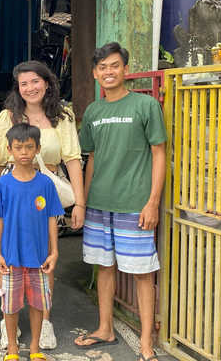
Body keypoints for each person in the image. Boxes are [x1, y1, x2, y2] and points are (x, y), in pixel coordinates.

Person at [74, 42, 166, 361]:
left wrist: (153, 202)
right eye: (102, 67)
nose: (108, 72)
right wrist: (83, 203)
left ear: (125, 69)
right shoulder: (94, 112)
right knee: (105, 266)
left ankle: (145, 342)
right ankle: (105, 328)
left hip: (134, 203)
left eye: (114, 65)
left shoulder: (145, 106)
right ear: (95, 73)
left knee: (142, 271)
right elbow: (92, 159)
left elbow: (159, 154)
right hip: (100, 203)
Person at [0, 60, 85, 349]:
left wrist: (79, 203)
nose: (30, 88)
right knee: (8, 253)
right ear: (18, 89)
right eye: (24, 83)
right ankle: (9, 316)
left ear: (47, 83)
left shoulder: (63, 116)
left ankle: (44, 321)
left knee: (45, 257)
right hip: (12, 191)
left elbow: (72, 159)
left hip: (46, 190)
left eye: (35, 81)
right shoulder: (7, 117)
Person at [0, 123, 63, 361]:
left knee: (39, 304)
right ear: (9, 149)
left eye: (29, 147)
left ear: (38, 148)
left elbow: (52, 219)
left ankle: (35, 347)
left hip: (39, 258)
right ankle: (12, 348)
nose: (24, 152)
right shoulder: (3, 184)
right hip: (10, 258)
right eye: (18, 147)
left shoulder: (46, 183)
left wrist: (54, 252)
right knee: (10, 305)